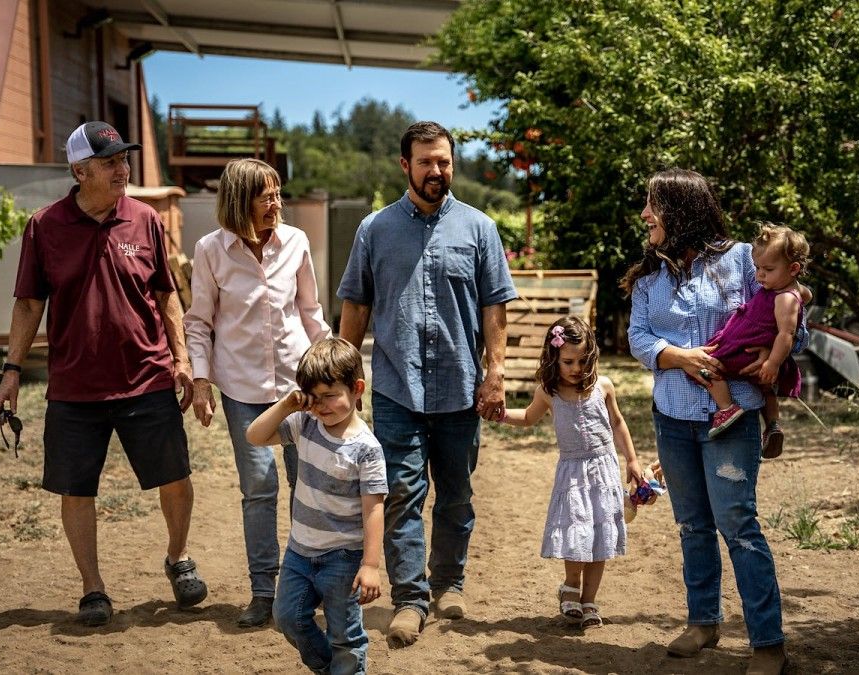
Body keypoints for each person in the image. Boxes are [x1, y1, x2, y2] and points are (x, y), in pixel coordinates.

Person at [0, 121, 206, 627]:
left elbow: (166, 296)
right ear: (79, 171)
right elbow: (28, 304)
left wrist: (182, 359)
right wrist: (11, 371)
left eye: (124, 160)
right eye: (110, 163)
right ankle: (93, 588)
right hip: (74, 385)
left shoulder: (146, 219)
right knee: (76, 487)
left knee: (175, 476)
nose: (122, 170)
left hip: (146, 375)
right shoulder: (45, 227)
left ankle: (178, 556)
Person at [337, 121, 517, 647]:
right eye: (425, 162)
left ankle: (450, 584)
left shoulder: (480, 228)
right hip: (397, 388)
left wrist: (496, 374)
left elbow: (494, 307)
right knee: (401, 496)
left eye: (443, 161)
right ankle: (411, 600)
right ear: (404, 166)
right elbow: (356, 303)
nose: (436, 171)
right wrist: (346, 374)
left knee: (457, 495)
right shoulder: (374, 229)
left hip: (461, 387)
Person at [623, 168, 806, 675]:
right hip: (673, 416)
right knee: (692, 525)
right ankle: (703, 622)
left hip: (733, 415)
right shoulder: (649, 278)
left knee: (738, 524)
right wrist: (677, 356)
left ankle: (768, 643)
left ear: (682, 209)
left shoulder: (742, 261)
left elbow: (791, 315)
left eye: (652, 205)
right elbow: (639, 339)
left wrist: (770, 354)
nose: (645, 215)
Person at [183, 158, 330, 628]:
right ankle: (264, 591)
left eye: (278, 194)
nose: (276, 204)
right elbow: (199, 322)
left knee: (307, 488)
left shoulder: (296, 243)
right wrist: (202, 381)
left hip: (298, 386)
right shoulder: (210, 251)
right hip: (242, 390)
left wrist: (332, 371)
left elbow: (310, 311)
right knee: (259, 488)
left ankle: (303, 585)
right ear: (239, 201)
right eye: (266, 196)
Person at [245, 338, 386, 675]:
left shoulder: (366, 449)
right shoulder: (305, 423)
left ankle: (344, 669)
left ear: (356, 389)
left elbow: (373, 509)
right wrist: (287, 405)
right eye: (314, 397)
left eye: (330, 395)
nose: (322, 406)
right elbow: (255, 436)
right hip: (299, 553)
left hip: (343, 560)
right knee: (287, 618)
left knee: (345, 636)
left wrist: (370, 565)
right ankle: (327, 667)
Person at [493, 316, 644, 629]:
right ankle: (570, 587)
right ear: (554, 359)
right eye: (568, 361)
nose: (577, 368)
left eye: (583, 360)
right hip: (573, 474)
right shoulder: (549, 393)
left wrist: (631, 459)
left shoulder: (603, 386)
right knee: (578, 532)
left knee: (600, 535)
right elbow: (527, 418)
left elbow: (617, 423)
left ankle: (589, 600)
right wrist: (502, 414)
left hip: (603, 471)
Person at [699, 225, 811, 459]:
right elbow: (806, 294)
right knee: (765, 388)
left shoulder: (784, 299)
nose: (759, 275)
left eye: (768, 269)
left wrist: (773, 362)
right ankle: (772, 424)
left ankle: (727, 408)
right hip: (757, 348)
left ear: (793, 268)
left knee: (707, 367)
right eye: (758, 268)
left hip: (746, 348)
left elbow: (786, 334)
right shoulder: (786, 289)